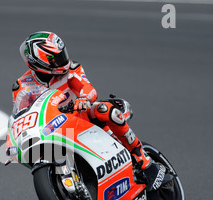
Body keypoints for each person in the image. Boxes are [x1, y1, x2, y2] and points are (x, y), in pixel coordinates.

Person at [12, 31, 165, 191]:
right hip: (52, 126)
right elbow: (21, 113)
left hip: (80, 114)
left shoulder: (71, 68)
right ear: (37, 62)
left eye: (62, 54)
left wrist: (84, 99)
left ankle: (141, 156)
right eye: (55, 59)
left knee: (104, 109)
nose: (62, 60)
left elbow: (87, 88)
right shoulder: (22, 85)